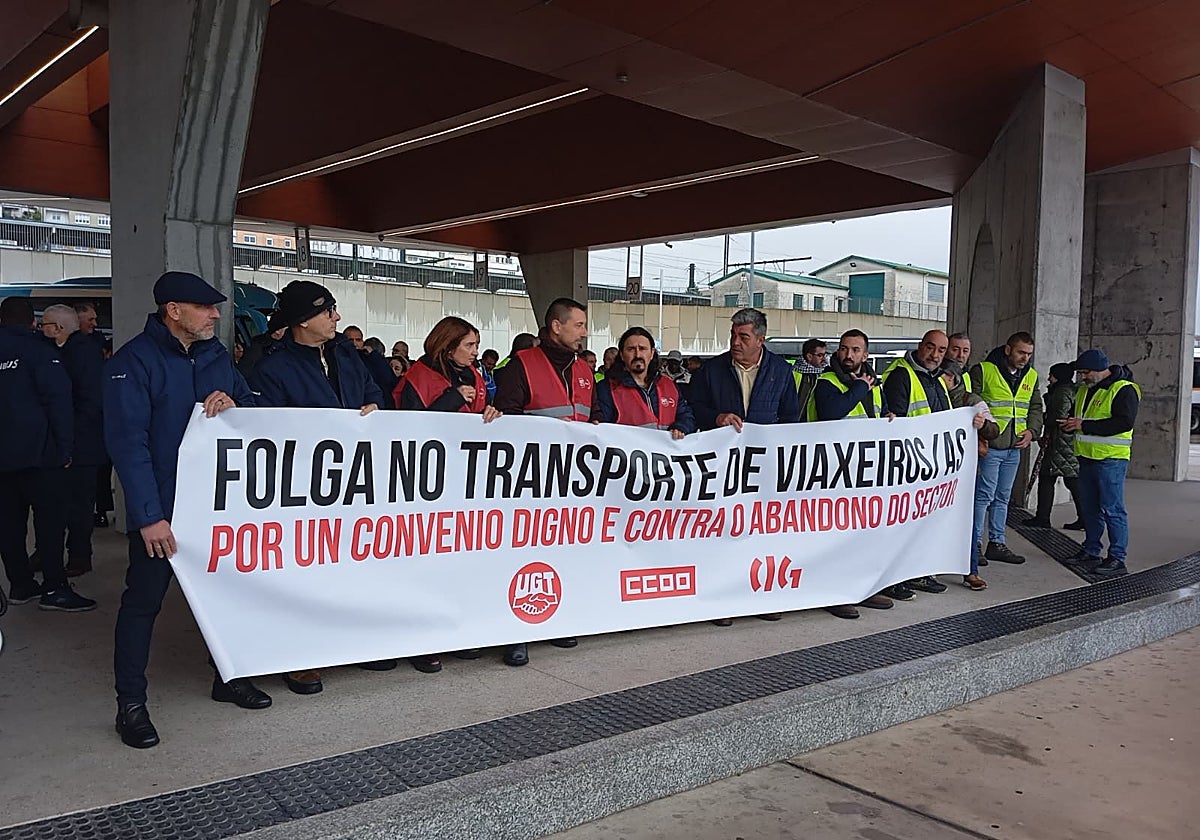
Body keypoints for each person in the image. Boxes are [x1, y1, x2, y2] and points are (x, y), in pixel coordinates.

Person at [105, 271, 271, 750]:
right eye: (205, 307)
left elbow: (253, 407)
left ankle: (229, 676)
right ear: (173, 311)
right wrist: (148, 516)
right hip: (165, 510)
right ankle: (130, 705)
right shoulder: (134, 362)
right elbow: (128, 444)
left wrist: (235, 402)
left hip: (218, 508)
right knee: (143, 604)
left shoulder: (216, 355)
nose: (216, 315)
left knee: (231, 596)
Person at [250, 280, 383, 693]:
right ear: (303, 320)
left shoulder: (346, 355)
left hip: (356, 480)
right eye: (328, 311)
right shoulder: (273, 369)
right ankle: (299, 657)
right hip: (304, 489)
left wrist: (375, 407)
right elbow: (265, 431)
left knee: (355, 565)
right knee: (304, 572)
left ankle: (352, 643)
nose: (336, 318)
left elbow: (375, 393)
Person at [494, 298, 593, 665]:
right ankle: (514, 633)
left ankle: (555, 619)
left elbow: (594, 415)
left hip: (572, 481)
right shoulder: (521, 364)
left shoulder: (583, 369)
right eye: (578, 325)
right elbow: (507, 418)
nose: (584, 332)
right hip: (529, 480)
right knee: (520, 556)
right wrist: (549, 431)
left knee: (562, 553)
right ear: (556, 326)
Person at [689, 308, 799, 626]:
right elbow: (692, 407)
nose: (736, 342)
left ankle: (762, 596)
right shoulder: (712, 371)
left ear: (760, 340)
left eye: (744, 337)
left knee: (762, 532)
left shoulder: (781, 370)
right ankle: (723, 600)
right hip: (723, 467)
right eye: (733, 335)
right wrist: (717, 418)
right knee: (723, 530)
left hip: (765, 469)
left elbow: (790, 417)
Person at [0, 297, 94, 612]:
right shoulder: (40, 352)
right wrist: (65, 448)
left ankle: (20, 584)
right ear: (32, 322)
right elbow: (58, 402)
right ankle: (55, 588)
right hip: (40, 456)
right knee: (50, 523)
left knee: (9, 525)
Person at [806, 329, 895, 619]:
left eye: (855, 350)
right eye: (844, 348)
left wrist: (889, 418)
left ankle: (862, 589)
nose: (848, 354)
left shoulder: (874, 384)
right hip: (833, 472)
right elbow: (832, 413)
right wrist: (859, 388)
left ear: (865, 354)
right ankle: (834, 592)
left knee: (863, 534)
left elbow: (877, 414)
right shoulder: (828, 381)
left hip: (864, 472)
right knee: (835, 536)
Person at [876, 330, 953, 598]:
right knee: (900, 525)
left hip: (930, 465)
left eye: (941, 350)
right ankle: (893, 579)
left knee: (921, 525)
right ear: (920, 346)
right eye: (930, 347)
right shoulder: (902, 375)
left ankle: (917, 573)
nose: (935, 355)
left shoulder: (938, 379)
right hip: (906, 465)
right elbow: (896, 421)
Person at [39, 304, 107, 578]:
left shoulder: (82, 353)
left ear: (58, 328)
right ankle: (47, 553)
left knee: (79, 505)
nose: (40, 329)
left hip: (82, 444)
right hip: (66, 442)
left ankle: (79, 556)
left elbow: (90, 401)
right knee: (57, 503)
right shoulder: (62, 351)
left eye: (44, 324)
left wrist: (67, 437)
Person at [1061, 349, 1140, 578]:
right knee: (1090, 508)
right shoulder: (1085, 390)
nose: (1082, 377)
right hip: (1086, 457)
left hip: (1110, 459)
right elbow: (1080, 419)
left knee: (1113, 509)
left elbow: (1124, 423)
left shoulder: (1123, 389)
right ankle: (1091, 550)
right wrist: (1070, 424)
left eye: (1086, 372)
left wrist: (1083, 425)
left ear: (1099, 370)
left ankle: (1117, 558)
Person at [968, 332, 1043, 570]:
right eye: (1021, 352)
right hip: (991, 445)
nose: (1025, 358)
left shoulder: (1031, 375)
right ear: (1008, 349)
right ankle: (974, 545)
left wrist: (1032, 431)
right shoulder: (984, 370)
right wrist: (981, 434)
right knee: (983, 496)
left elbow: (1035, 406)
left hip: (1014, 447)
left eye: (1029, 354)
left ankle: (997, 543)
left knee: (1002, 497)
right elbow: (970, 400)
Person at [941, 358, 1000, 590]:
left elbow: (994, 430)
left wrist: (982, 424)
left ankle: (971, 570)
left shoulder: (971, 401)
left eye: (942, 376)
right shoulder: (933, 395)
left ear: (952, 377)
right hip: (937, 472)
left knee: (966, 521)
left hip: (964, 472)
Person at [592, 326, 696, 439]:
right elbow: (602, 429)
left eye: (642, 349)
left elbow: (686, 416)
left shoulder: (668, 385)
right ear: (621, 355)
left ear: (652, 353)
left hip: (665, 449)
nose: (637, 355)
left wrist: (680, 427)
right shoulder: (607, 388)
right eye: (631, 349)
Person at [1025, 363, 1085, 531]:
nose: (1049, 378)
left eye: (1051, 375)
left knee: (1049, 478)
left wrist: (1041, 418)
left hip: (1059, 443)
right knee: (1071, 481)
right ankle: (1085, 518)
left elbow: (1058, 418)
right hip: (1066, 443)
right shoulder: (1073, 390)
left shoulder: (1061, 392)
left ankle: (1043, 517)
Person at [344, 325, 399, 409]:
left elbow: (388, 378)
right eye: (350, 340)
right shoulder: (337, 359)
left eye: (358, 340)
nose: (354, 343)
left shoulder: (370, 359)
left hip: (374, 405)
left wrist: (374, 355)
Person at [793, 338, 827, 415]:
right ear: (809, 356)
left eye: (825, 355)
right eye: (820, 355)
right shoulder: (793, 374)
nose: (824, 359)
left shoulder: (826, 374)